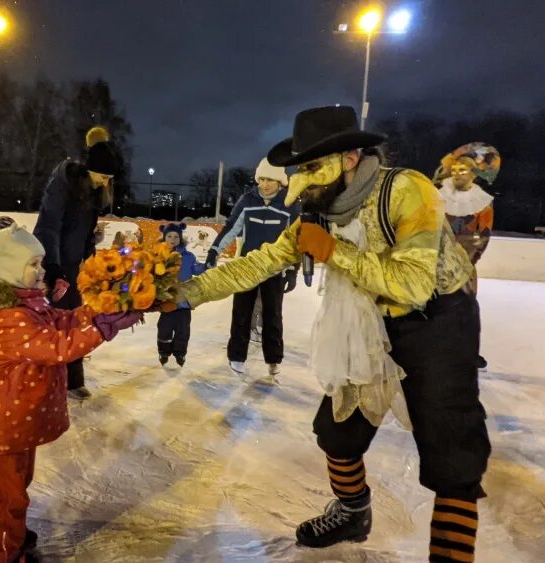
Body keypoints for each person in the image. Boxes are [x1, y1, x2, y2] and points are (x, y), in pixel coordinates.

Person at [181, 106, 490, 562]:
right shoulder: (320, 209)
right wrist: (183, 294)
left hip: (439, 321)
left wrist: (336, 254)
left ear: (347, 157)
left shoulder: (406, 189)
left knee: (451, 455)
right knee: (337, 434)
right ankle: (352, 511)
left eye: (310, 167)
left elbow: (414, 284)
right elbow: (262, 262)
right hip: (366, 321)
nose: (301, 181)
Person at [0, 223, 140, 561]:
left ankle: (11, 540)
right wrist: (103, 327)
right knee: (2, 498)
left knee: (15, 492)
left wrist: (99, 311)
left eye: (41, 262)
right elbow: (57, 346)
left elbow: (62, 321)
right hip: (4, 425)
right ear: (6, 268)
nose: (42, 271)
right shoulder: (5, 317)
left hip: (16, 422)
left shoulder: (27, 303)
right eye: (33, 264)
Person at [33, 126, 118, 400]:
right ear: (89, 169)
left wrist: (91, 257)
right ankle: (51, 379)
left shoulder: (93, 191)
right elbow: (49, 225)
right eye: (103, 177)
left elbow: (83, 232)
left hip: (71, 266)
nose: (105, 183)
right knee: (54, 321)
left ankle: (70, 379)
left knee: (71, 319)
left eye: (109, 179)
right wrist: (53, 268)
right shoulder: (65, 182)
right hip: (48, 263)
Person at [205, 157, 299, 382]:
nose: (265, 185)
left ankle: (273, 359)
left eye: (271, 180)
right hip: (246, 268)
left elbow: (298, 238)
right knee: (241, 313)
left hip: (273, 269)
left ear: (280, 182)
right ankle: (237, 356)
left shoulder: (289, 203)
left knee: (272, 316)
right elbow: (231, 227)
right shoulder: (248, 200)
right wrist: (214, 251)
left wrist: (294, 268)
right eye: (262, 179)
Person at [434, 143, 501, 371]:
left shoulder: (483, 202)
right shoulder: (438, 195)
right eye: (454, 170)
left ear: (473, 172)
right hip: (436, 261)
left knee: (465, 309)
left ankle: (467, 352)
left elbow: (483, 235)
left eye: (462, 170)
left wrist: (467, 260)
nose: (457, 174)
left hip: (465, 263)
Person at [156, 223, 206, 367]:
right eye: (169, 236)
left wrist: (207, 265)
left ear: (181, 238)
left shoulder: (188, 256)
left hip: (184, 301)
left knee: (183, 330)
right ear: (164, 238)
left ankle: (180, 353)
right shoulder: (159, 256)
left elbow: (196, 269)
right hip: (166, 300)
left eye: (176, 236)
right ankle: (163, 352)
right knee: (164, 329)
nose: (173, 239)